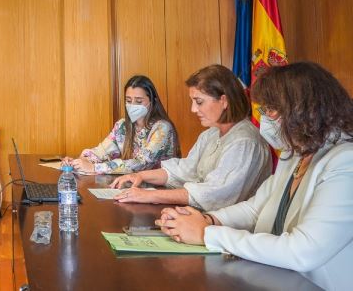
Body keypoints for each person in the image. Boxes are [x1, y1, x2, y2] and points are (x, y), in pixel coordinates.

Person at [155, 62, 353, 291]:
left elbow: (303, 251)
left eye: (271, 110)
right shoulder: (296, 153)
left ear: (304, 110)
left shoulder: (345, 161)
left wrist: (207, 233)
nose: (264, 120)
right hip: (273, 278)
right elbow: (256, 208)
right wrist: (208, 219)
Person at [111, 64, 271, 211]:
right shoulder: (210, 134)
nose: (193, 109)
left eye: (199, 102)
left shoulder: (245, 142)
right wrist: (140, 175)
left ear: (224, 101)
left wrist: (148, 195)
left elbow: (214, 193)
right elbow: (185, 170)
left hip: (230, 232)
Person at [63, 75, 178, 174]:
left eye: (138, 101)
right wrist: (79, 161)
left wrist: (94, 167)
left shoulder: (162, 128)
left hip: (159, 190)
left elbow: (141, 163)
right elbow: (101, 151)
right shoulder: (122, 125)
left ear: (153, 101)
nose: (132, 105)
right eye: (128, 100)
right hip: (134, 187)